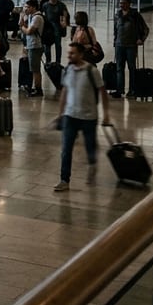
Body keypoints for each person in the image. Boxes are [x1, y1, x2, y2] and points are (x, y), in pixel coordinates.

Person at [53, 42, 113, 192]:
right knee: (66, 149)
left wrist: (106, 114)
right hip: (70, 115)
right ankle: (64, 179)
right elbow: (65, 93)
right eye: (69, 53)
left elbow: (103, 93)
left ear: (80, 54)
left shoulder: (91, 71)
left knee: (90, 147)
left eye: (72, 53)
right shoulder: (67, 70)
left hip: (88, 116)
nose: (69, 55)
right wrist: (60, 114)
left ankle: (92, 164)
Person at [112, 0, 149, 99]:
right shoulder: (117, 15)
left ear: (129, 4)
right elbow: (115, 29)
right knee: (119, 68)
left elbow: (145, 29)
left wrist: (141, 39)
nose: (121, 5)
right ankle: (119, 90)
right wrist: (115, 41)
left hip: (131, 46)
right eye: (120, 3)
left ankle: (132, 90)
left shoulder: (135, 15)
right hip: (119, 45)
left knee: (132, 68)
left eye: (123, 3)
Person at [20, 0, 45, 97]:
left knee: (35, 69)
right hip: (31, 45)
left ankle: (38, 89)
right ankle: (35, 87)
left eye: (28, 7)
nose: (26, 9)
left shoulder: (37, 18)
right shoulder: (31, 16)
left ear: (33, 7)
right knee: (33, 68)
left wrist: (22, 27)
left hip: (35, 46)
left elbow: (29, 31)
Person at [41, 0, 70, 64]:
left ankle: (58, 62)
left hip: (57, 28)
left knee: (58, 46)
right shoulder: (45, 5)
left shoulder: (61, 5)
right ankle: (48, 62)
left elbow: (65, 15)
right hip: (48, 28)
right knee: (47, 46)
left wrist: (64, 22)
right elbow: (41, 15)